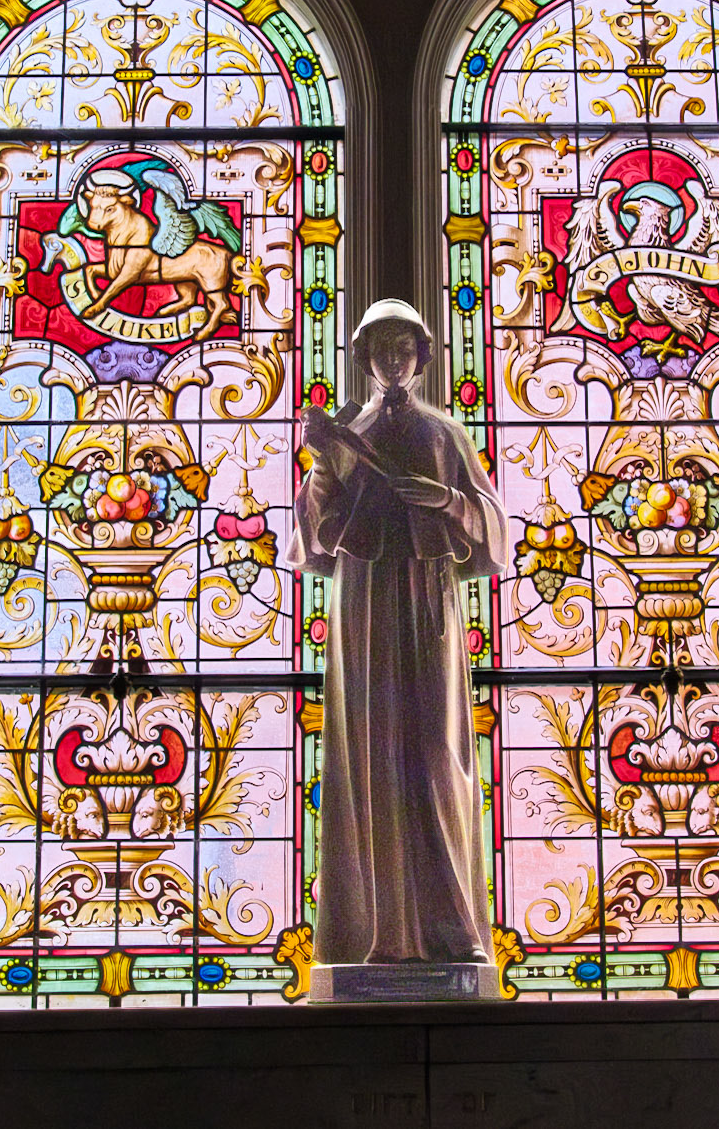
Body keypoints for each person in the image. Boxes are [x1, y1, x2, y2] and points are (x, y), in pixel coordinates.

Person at [288, 299, 509, 968]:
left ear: (421, 356)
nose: (393, 359)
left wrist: (446, 501)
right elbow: (314, 532)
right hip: (365, 602)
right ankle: (376, 933)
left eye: (404, 347)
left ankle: (452, 925)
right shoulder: (347, 432)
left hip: (430, 599)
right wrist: (325, 465)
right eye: (380, 348)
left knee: (437, 751)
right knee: (373, 750)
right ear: (363, 358)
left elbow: (493, 523)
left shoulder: (445, 432)